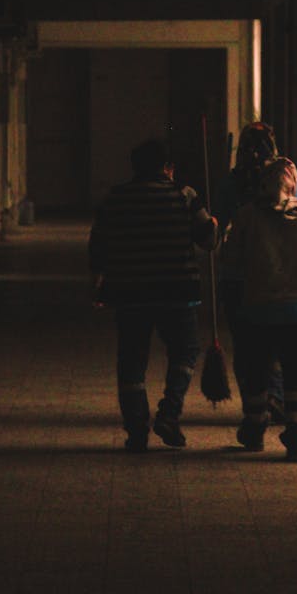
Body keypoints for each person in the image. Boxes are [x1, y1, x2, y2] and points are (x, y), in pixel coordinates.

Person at [88, 138, 219, 452]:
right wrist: (213, 224)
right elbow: (208, 241)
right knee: (184, 352)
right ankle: (169, 413)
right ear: (167, 168)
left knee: (132, 361)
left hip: (130, 292)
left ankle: (136, 430)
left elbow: (98, 243)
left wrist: (98, 281)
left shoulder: (115, 198)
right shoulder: (184, 195)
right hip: (177, 291)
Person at [220, 156, 297, 460]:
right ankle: (295, 433)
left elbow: (231, 261)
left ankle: (255, 427)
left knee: (256, 371)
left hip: (258, 309)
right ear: (292, 184)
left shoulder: (246, 216)